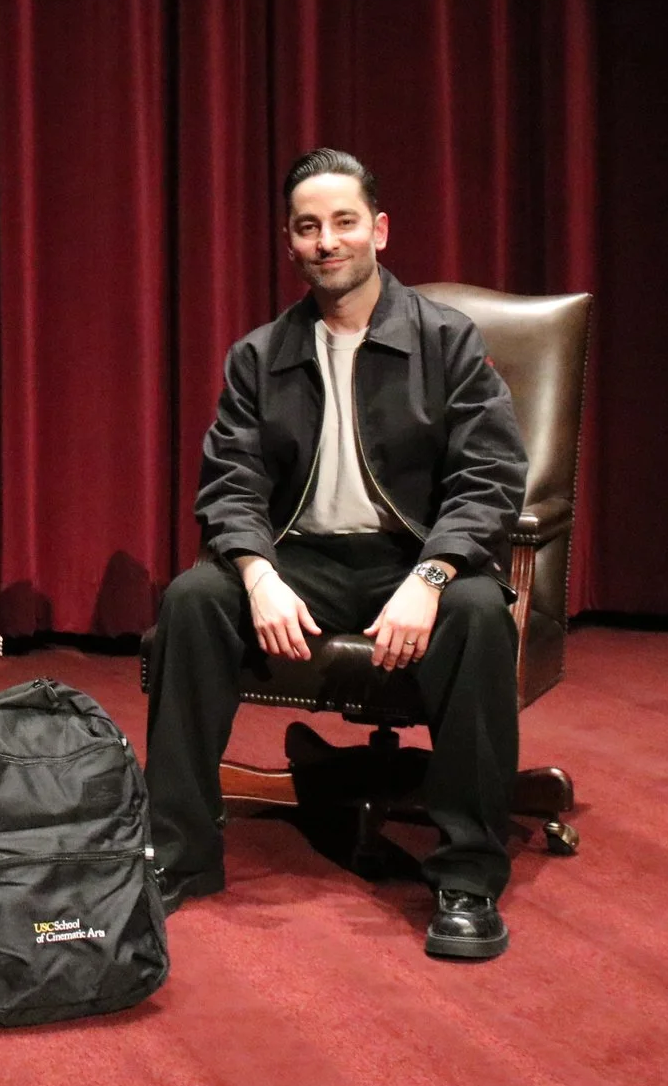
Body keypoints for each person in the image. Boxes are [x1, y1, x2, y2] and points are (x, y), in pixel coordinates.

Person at [145, 148, 529, 959]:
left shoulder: (447, 341)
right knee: (191, 598)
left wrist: (431, 575)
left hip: (411, 560)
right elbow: (230, 482)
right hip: (302, 561)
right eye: (308, 226)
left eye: (344, 222)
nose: (328, 241)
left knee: (478, 613)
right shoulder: (260, 356)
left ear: (379, 231)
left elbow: (490, 477)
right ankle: (178, 857)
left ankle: (465, 878)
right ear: (289, 242)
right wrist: (255, 573)